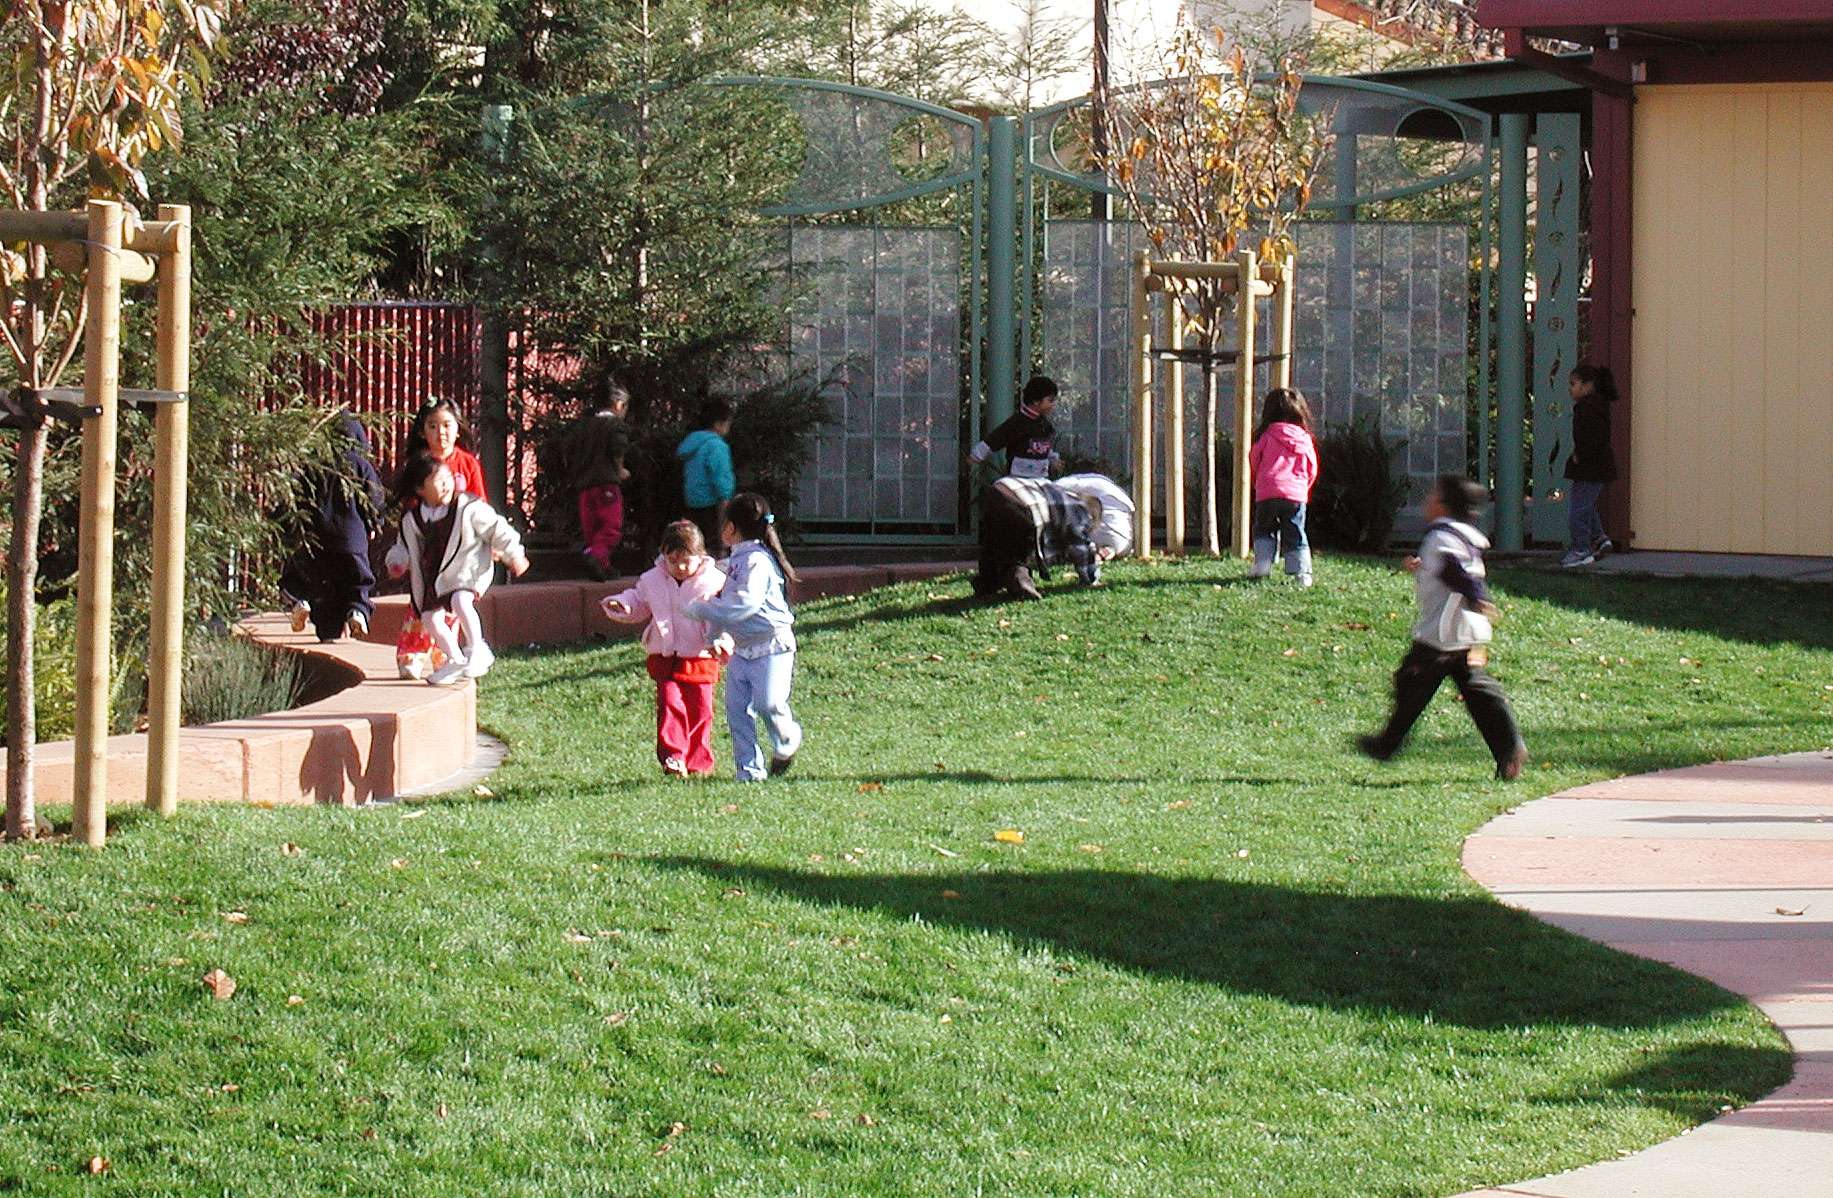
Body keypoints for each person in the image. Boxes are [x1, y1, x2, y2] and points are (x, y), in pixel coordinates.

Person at [1357, 475, 1526, 780]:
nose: (1427, 501)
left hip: (1444, 630)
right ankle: (1509, 749)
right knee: (1478, 691)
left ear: (1445, 505)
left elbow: (1454, 571)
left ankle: (1386, 744)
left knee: (1412, 681)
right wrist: (1421, 566)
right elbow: (1448, 566)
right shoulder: (1461, 535)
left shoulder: (1441, 537)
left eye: (1433, 496)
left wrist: (1478, 598)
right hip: (1465, 628)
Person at [600, 521, 732, 777]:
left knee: (701, 710)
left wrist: (721, 642)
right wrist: (623, 605)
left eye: (686, 561)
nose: (680, 568)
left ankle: (698, 760)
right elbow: (639, 600)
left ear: (701, 557)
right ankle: (673, 755)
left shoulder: (714, 582)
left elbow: (723, 617)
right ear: (663, 557)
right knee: (670, 704)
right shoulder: (653, 580)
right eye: (673, 561)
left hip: (701, 656)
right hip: (666, 655)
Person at [686, 493, 802, 782]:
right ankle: (748, 772)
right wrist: (713, 635)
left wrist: (699, 610)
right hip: (742, 649)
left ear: (731, 529)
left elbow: (743, 605)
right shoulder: (735, 561)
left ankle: (787, 739)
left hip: (773, 645)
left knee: (768, 703)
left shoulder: (757, 562)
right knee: (738, 712)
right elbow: (723, 598)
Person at [386, 452, 529, 686]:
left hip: (467, 571)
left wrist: (514, 554)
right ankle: (455, 658)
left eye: (448, 478)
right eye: (438, 480)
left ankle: (478, 648)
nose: (446, 484)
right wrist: (396, 561)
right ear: (420, 489)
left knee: (461, 602)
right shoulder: (412, 519)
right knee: (431, 618)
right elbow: (403, 546)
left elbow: (497, 529)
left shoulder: (469, 507)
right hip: (435, 578)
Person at [282, 412, 384, 642]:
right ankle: (357, 610)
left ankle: (308, 607)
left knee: (321, 588)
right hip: (352, 540)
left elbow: (297, 499)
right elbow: (373, 497)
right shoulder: (361, 464)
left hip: (318, 541)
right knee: (357, 582)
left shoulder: (312, 465)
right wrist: (376, 522)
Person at [973, 475, 1102, 602]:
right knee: (1020, 548)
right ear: (1092, 516)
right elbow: (1080, 547)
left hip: (996, 492)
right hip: (1022, 502)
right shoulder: (1080, 509)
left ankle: (986, 584)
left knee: (995, 545)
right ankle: (1021, 580)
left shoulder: (1057, 493)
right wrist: (1090, 577)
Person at [1248, 387, 1319, 587]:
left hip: (1267, 491)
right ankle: (1302, 573)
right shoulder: (1304, 439)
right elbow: (1311, 467)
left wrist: (1259, 481)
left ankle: (1262, 565)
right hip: (1295, 494)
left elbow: (1254, 459)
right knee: (1296, 531)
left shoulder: (1265, 436)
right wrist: (1304, 487)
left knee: (1264, 528)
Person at [1561, 364, 1619, 568]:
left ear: (1587, 386)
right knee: (1586, 505)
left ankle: (1581, 550)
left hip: (1590, 468)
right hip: (1597, 467)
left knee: (1577, 510)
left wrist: (1580, 455)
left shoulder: (1587, 409)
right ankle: (1599, 540)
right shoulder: (1598, 406)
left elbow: (1590, 438)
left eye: (1573, 384)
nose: (1570, 388)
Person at [576, 379, 631, 580]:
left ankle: (602, 566)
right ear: (618, 405)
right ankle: (595, 556)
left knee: (592, 529)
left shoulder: (584, 426)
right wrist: (620, 469)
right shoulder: (614, 424)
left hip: (585, 485)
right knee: (610, 527)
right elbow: (618, 448)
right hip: (606, 482)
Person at [968, 375, 1061, 480]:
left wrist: (1053, 459)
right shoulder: (1017, 423)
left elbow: (1046, 446)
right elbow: (996, 439)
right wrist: (976, 456)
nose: (1053, 405)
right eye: (1050, 400)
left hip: (1041, 478)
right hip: (1018, 479)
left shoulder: (1045, 424)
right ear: (1036, 401)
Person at [677, 396, 737, 555]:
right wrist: (725, 497)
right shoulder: (716, 445)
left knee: (694, 545)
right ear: (719, 424)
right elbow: (720, 476)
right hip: (713, 503)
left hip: (691, 502)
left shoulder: (691, 445)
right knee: (716, 546)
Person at [407, 399, 488, 504]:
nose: (441, 432)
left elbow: (479, 503)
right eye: (433, 427)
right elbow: (410, 504)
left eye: (447, 425)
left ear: (458, 429)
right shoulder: (418, 464)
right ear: (422, 432)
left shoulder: (469, 463)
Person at [1053, 472, 1135, 559]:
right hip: (1120, 546)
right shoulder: (1111, 491)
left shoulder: (1098, 482)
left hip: (1110, 538)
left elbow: (1052, 487)